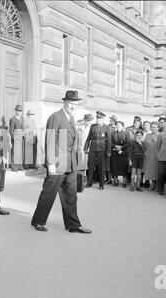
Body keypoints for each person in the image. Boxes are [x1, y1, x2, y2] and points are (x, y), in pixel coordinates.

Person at [31, 90, 91, 233]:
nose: (73, 106)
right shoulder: (56, 117)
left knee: (71, 196)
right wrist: (50, 163)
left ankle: (73, 225)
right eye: (71, 103)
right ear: (64, 102)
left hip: (70, 164)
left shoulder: (71, 118)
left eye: (75, 104)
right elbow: (50, 140)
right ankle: (38, 221)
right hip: (57, 163)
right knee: (48, 194)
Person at [84, 111, 111, 190]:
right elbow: (89, 138)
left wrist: (108, 151)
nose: (97, 120)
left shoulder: (107, 127)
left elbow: (109, 140)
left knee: (101, 167)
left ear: (103, 119)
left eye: (99, 119)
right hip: (92, 148)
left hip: (102, 149)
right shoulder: (93, 126)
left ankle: (101, 184)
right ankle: (89, 183)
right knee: (90, 165)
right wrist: (86, 147)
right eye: (97, 118)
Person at [111, 121, 129, 187]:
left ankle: (124, 182)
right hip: (115, 152)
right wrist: (115, 146)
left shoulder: (126, 133)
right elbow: (111, 142)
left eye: (119, 125)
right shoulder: (113, 133)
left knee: (124, 168)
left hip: (123, 152)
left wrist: (121, 148)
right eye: (117, 125)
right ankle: (115, 181)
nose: (118, 126)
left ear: (122, 126)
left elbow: (128, 143)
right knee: (115, 167)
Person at [76, 113, 94, 178]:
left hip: (88, 148)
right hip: (80, 148)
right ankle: (82, 176)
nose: (88, 122)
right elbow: (77, 139)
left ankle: (89, 177)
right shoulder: (79, 128)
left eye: (89, 121)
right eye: (87, 120)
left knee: (88, 163)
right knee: (81, 163)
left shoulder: (92, 128)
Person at [143, 121, 159, 191]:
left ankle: (155, 185)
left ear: (158, 128)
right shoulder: (148, 135)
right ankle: (151, 183)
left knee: (155, 170)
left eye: (155, 127)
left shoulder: (160, 135)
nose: (153, 128)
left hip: (156, 155)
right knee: (150, 170)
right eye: (152, 127)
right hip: (148, 154)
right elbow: (144, 145)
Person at [9, 105, 25, 171]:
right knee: (15, 152)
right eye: (18, 111)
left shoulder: (22, 118)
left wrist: (23, 133)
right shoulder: (12, 119)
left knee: (21, 152)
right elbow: (10, 129)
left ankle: (20, 166)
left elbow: (23, 128)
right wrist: (13, 137)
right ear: (15, 111)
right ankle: (14, 167)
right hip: (16, 138)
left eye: (20, 111)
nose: (19, 112)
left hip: (21, 137)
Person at [105, 114, 118, 184]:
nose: (111, 121)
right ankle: (109, 178)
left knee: (114, 165)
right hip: (108, 147)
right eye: (110, 119)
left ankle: (114, 178)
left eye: (112, 120)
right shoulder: (108, 126)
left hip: (114, 148)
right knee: (108, 165)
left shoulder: (115, 128)